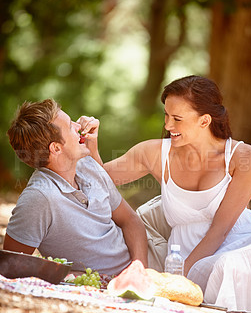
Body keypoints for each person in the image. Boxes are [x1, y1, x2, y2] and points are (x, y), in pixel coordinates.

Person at [88, 75, 251, 313]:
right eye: (166, 115)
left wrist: (178, 279)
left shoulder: (245, 157)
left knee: (228, 265)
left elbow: (220, 230)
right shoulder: (154, 153)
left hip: (239, 245)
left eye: (177, 119)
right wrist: (91, 144)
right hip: (184, 256)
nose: (168, 125)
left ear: (204, 121)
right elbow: (100, 180)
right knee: (218, 270)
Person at [4, 99, 148, 275]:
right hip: (126, 275)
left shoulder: (87, 164)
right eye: (70, 126)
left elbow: (131, 221)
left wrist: (140, 271)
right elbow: (9, 266)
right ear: (56, 148)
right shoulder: (39, 198)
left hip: (143, 256)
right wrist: (70, 276)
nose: (78, 126)